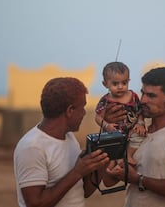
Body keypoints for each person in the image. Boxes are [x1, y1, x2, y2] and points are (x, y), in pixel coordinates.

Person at [103, 67, 165, 207]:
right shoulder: (133, 133)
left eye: (151, 96)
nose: (142, 100)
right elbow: (108, 181)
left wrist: (138, 179)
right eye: (142, 93)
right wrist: (109, 129)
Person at [13, 77, 110, 207]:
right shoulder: (32, 147)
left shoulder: (69, 137)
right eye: (82, 107)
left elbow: (83, 191)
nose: (84, 113)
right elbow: (35, 203)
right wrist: (77, 172)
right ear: (70, 110)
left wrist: (100, 161)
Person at [95, 61, 146, 165]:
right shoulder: (106, 100)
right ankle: (114, 162)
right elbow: (98, 117)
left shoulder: (133, 96)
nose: (120, 87)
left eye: (124, 83)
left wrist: (140, 123)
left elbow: (140, 111)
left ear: (129, 81)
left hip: (132, 129)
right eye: (115, 84)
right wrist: (106, 125)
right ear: (105, 84)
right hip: (115, 131)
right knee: (110, 146)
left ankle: (128, 155)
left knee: (140, 135)